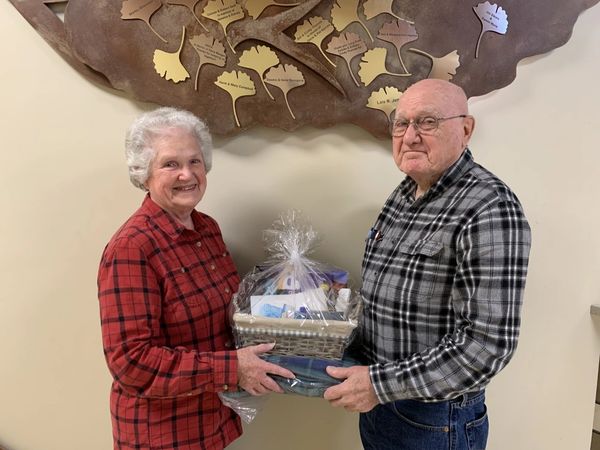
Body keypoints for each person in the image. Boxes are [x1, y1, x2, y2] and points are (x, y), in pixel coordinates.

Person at [324, 79, 531, 450]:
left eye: (428, 122)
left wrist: (377, 385)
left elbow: (487, 345)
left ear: (465, 130)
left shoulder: (489, 207)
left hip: (436, 421)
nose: (411, 136)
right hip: (381, 404)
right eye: (401, 124)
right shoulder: (403, 194)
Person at [97, 107, 294, 450]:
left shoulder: (207, 228)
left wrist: (287, 308)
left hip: (210, 421)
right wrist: (232, 368)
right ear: (144, 173)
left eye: (195, 161)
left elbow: (229, 312)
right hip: (161, 434)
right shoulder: (133, 248)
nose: (187, 174)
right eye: (170, 164)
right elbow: (131, 362)